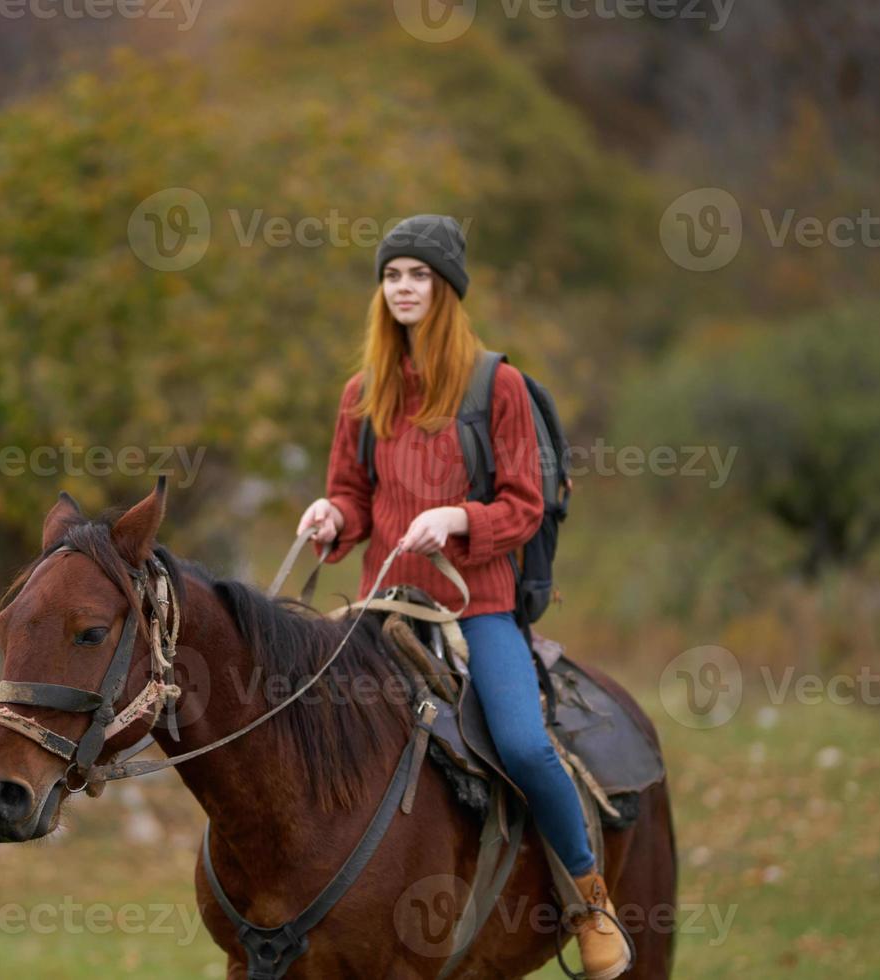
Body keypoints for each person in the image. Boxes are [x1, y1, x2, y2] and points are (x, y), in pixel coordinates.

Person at [296, 214, 630, 980]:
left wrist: (457, 518)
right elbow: (352, 493)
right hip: (381, 610)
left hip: (476, 608)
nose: (403, 288)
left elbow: (526, 504)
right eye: (392, 276)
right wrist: (331, 516)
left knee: (520, 743)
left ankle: (589, 901)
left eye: (417, 276)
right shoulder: (363, 393)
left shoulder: (496, 386)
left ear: (446, 290)